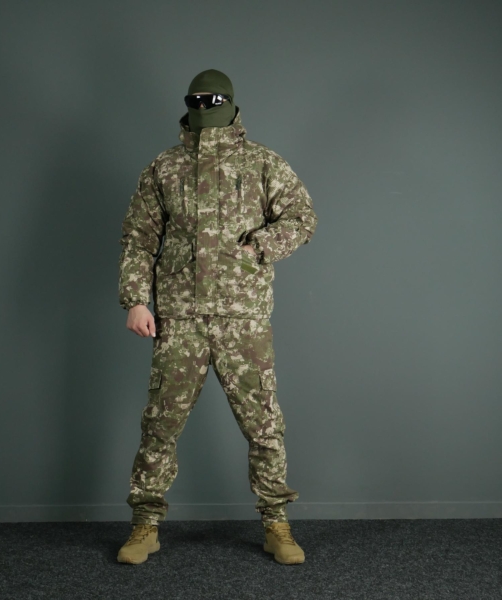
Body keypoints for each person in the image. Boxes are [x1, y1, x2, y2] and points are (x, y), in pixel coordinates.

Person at [116, 69, 318, 565]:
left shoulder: (262, 163)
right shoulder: (165, 168)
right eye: (197, 103)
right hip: (179, 317)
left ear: (229, 104)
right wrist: (136, 300)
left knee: (263, 425)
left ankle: (276, 524)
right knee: (160, 424)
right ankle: (145, 525)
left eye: (213, 102)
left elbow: (302, 218)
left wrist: (259, 246)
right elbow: (139, 238)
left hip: (242, 316)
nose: (205, 111)